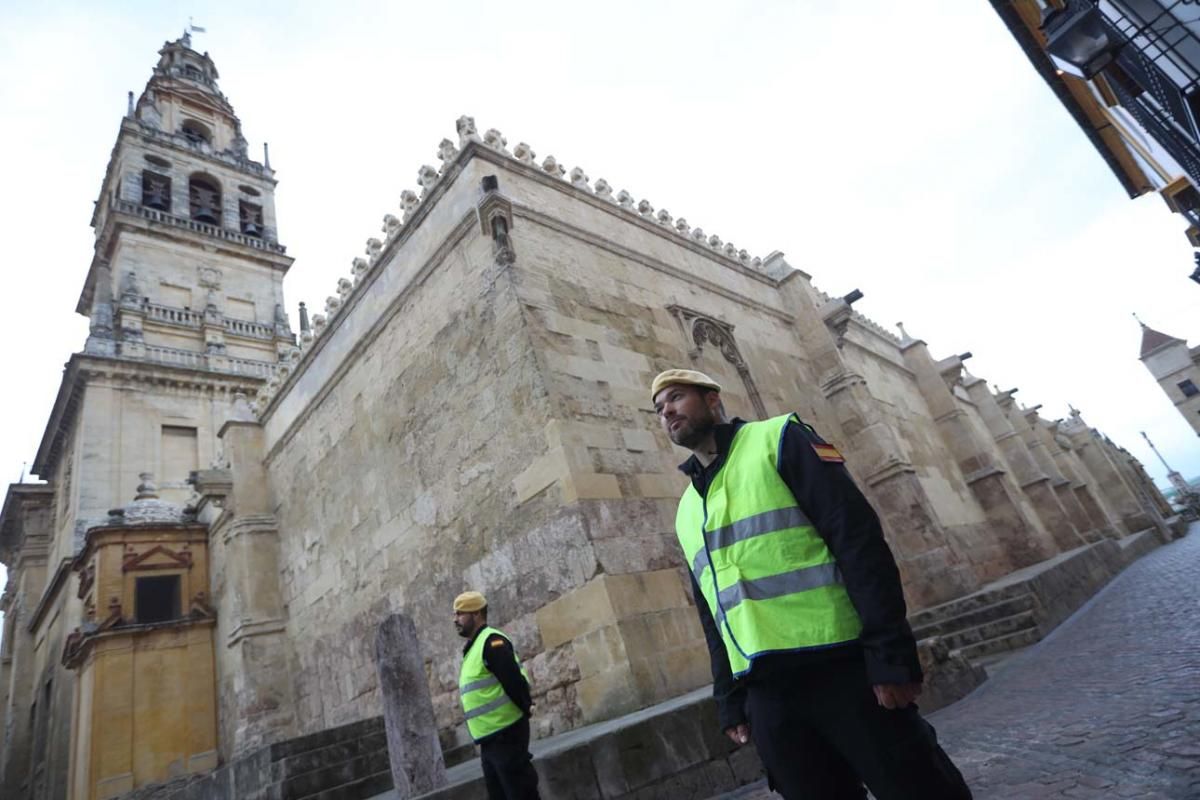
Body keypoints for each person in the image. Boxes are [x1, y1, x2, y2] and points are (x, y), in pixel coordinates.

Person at [650, 369, 972, 800]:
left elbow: (856, 540)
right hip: (767, 693)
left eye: (675, 397)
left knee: (916, 786)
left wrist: (890, 653)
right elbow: (713, 612)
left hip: (843, 670)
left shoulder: (779, 438)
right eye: (658, 407)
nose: (666, 410)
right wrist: (729, 697)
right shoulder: (688, 509)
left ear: (712, 400)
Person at [453, 591, 541, 800]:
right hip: (490, 740)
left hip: (506, 734)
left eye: (459, 614)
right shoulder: (474, 647)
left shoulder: (492, 642)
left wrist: (526, 707)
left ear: (476, 614)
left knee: (521, 793)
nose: (455, 620)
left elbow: (512, 680)